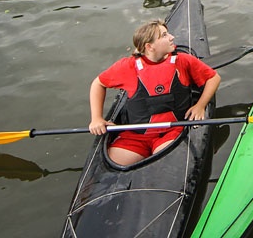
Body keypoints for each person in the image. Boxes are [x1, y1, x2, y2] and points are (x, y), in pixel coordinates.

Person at [89, 20, 221, 166]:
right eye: (164, 35)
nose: (172, 37)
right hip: (136, 135)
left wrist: (200, 106)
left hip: (173, 131)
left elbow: (213, 78)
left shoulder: (183, 61)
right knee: (113, 169)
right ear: (149, 46)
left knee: (165, 164)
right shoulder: (127, 66)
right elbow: (98, 83)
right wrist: (96, 118)